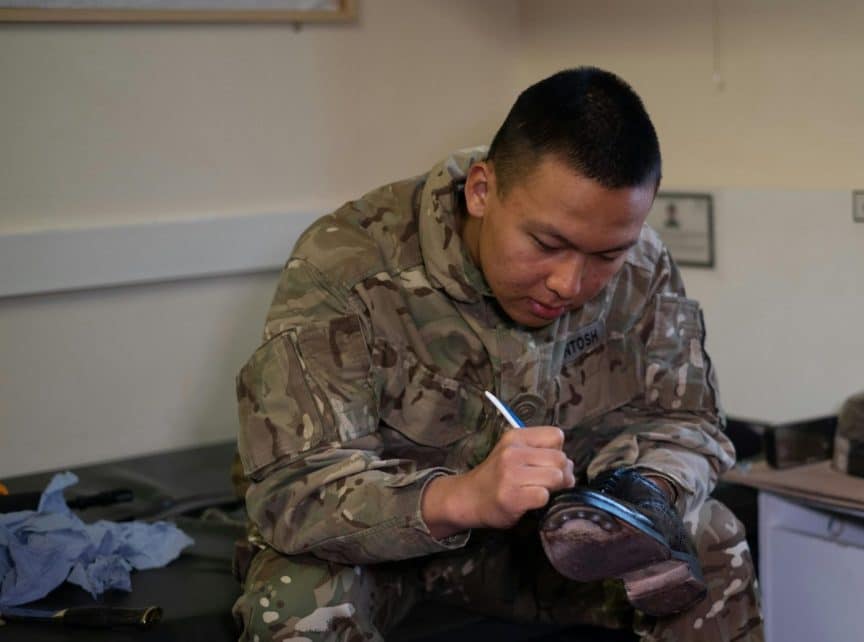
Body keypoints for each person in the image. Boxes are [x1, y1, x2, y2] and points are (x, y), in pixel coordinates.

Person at [231, 67, 762, 642]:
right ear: (482, 191)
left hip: (540, 547)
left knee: (710, 536)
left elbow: (689, 423)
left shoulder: (641, 264)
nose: (569, 282)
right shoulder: (345, 265)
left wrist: (645, 493)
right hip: (383, 549)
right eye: (547, 244)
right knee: (297, 603)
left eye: (606, 254)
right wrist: (462, 497)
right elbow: (292, 492)